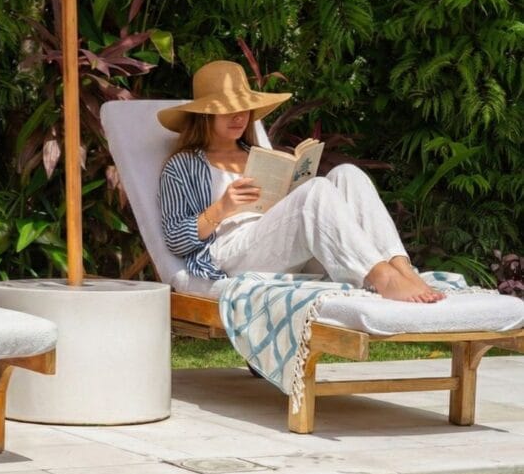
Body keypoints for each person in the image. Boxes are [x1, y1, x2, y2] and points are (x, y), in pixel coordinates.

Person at [158, 61, 444, 303]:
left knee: (347, 174)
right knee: (316, 191)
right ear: (205, 114)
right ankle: (382, 276)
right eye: (228, 108)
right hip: (232, 251)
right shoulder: (182, 166)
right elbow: (175, 239)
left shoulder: (258, 155)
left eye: (244, 107)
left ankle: (401, 267)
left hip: (280, 241)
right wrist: (221, 208)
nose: (239, 116)